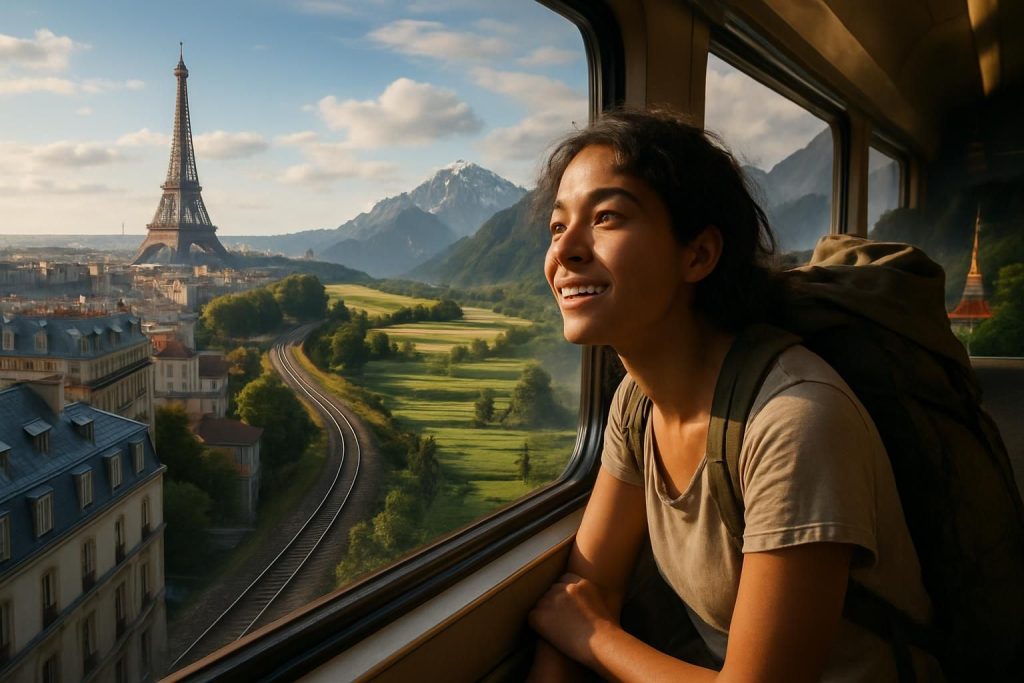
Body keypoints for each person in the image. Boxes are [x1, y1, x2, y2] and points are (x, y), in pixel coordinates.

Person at [527, 109, 935, 681]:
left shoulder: (795, 422)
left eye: (607, 217)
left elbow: (580, 617)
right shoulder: (636, 406)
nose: (565, 250)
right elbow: (588, 585)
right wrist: (571, 639)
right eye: (556, 226)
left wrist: (593, 637)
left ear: (698, 254)